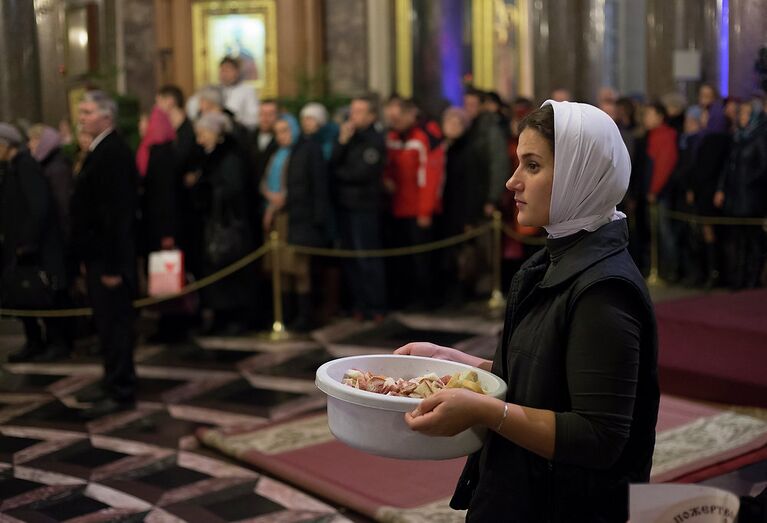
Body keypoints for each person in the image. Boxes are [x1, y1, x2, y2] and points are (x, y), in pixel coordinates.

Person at [396, 101, 659, 521]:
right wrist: (457, 362)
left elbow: (599, 435)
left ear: (580, 176)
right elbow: (545, 376)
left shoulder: (604, 291)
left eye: (532, 166)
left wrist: (484, 410)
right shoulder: (551, 261)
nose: (512, 181)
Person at [70, 91, 139, 418]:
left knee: (116, 324)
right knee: (106, 324)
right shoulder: (98, 150)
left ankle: (122, 388)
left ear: (106, 117)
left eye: (87, 112)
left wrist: (113, 265)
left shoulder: (113, 152)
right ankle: (111, 379)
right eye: (81, 112)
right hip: (98, 256)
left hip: (111, 259)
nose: (81, 116)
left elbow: (118, 216)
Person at [0, 123, 68, 363]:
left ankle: (56, 342)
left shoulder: (26, 165)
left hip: (33, 248)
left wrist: (26, 241)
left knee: (42, 294)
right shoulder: (11, 168)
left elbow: (39, 206)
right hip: (18, 247)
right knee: (22, 297)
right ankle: (34, 341)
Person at [262, 114, 328, 331]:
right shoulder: (276, 154)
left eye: (285, 130)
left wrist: (318, 220)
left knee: (299, 268)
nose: (281, 136)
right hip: (278, 217)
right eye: (277, 132)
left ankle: (305, 316)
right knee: (282, 268)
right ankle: (287, 314)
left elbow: (317, 186)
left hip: (300, 218)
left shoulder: (308, 150)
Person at [193, 112, 254, 335]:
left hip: (228, 224)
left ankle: (235, 318)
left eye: (203, 134)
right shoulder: (210, 155)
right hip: (213, 223)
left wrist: (206, 189)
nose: (200, 140)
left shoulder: (230, 157)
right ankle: (220, 315)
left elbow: (233, 189)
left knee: (231, 273)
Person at [330, 94, 387, 320]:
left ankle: (376, 306)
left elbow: (363, 173)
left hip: (365, 206)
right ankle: (359, 305)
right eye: (352, 111)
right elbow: (332, 164)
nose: (353, 116)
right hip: (346, 205)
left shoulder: (375, 140)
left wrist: (340, 174)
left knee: (368, 258)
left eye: (359, 112)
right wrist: (342, 142)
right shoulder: (348, 137)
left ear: (371, 115)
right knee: (351, 258)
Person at [715, 99, 767, 289]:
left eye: (746, 113)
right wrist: (722, 188)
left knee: (752, 240)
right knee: (737, 240)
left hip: (751, 198)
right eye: (741, 113)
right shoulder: (738, 137)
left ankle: (752, 279)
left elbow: (763, 167)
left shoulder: (760, 137)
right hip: (735, 197)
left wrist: (747, 182)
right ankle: (738, 278)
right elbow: (728, 166)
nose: (742, 117)